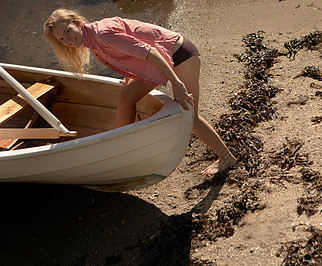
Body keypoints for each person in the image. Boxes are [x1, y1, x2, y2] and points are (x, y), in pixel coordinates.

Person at [44, 8, 236, 176]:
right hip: (162, 59)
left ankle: (226, 157)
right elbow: (128, 55)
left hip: (180, 56)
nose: (68, 40)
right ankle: (125, 152)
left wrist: (176, 84)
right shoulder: (91, 38)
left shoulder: (102, 34)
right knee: (126, 96)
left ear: (78, 22)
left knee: (189, 113)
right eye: (62, 39)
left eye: (68, 32)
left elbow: (150, 51)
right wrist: (130, 77)